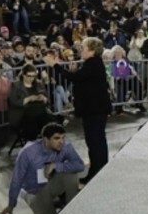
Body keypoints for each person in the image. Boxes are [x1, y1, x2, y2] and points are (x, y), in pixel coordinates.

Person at [43, 37, 112, 184]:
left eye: (84, 47)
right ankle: (101, 169)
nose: (81, 50)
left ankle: (95, 173)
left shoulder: (92, 63)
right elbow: (81, 79)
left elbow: (74, 78)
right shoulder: (93, 63)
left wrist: (55, 65)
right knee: (99, 140)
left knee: (94, 142)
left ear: (92, 50)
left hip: (94, 110)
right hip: (97, 108)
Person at [0, 123, 84, 214]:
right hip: (34, 191)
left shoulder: (65, 146)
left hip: (51, 185)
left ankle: (72, 210)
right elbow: (17, 179)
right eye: (56, 138)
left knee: (71, 174)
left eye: (63, 137)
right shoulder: (28, 152)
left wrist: (57, 165)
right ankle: (40, 204)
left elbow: (79, 165)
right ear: (46, 140)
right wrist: (11, 205)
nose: (61, 141)